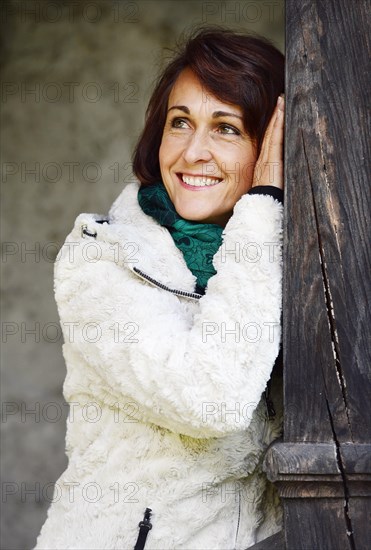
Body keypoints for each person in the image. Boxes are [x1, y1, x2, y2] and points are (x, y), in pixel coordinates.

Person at [34, 27, 285, 550]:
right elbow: (211, 401)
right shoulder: (102, 259)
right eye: (180, 123)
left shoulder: (286, 267)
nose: (194, 151)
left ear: (272, 149)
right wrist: (262, 206)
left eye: (227, 128)